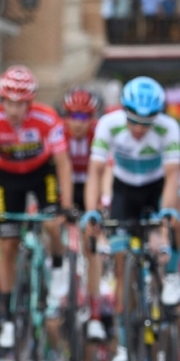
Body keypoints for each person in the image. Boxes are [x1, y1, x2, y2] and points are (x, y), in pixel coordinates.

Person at [84, 76, 180, 361]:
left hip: (155, 188)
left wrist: (165, 215)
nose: (139, 129)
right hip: (124, 191)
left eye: (146, 123)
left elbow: (173, 176)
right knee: (121, 262)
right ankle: (125, 345)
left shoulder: (169, 128)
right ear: (124, 113)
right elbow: (95, 171)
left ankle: (171, 274)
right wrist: (91, 211)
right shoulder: (108, 124)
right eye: (133, 122)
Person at [0, 65, 73, 350]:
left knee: (53, 222)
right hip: (6, 177)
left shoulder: (47, 119)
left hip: (42, 173)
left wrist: (65, 206)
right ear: (0, 100)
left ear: (30, 102)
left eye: (20, 103)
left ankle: (57, 269)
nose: (13, 110)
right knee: (7, 244)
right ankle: (6, 317)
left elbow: (63, 162)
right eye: (8, 102)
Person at [60, 87, 106, 343]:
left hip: (90, 188)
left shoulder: (99, 133)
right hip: (65, 187)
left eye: (83, 117)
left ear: (92, 118)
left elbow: (102, 172)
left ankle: (96, 316)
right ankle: (55, 268)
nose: (77, 123)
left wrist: (99, 206)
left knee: (92, 248)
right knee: (52, 225)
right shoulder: (58, 133)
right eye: (72, 116)